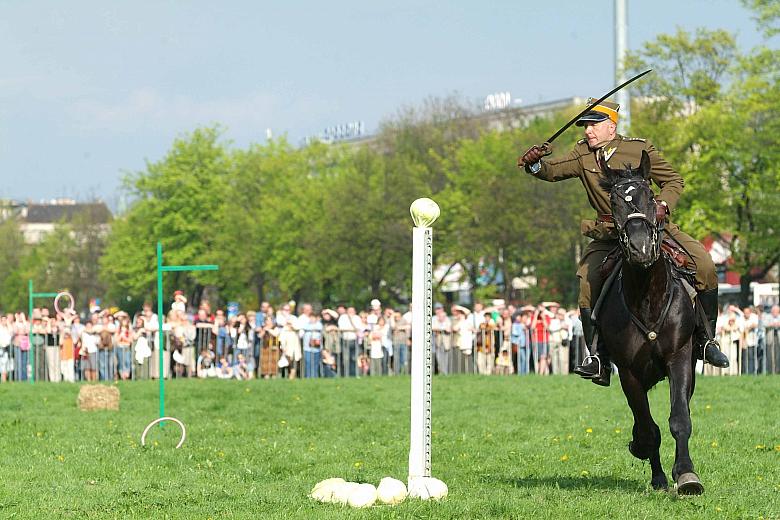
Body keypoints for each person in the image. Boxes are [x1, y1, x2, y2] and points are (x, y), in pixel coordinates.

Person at [519, 98, 729, 386]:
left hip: (650, 228)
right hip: (608, 233)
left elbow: (674, 181)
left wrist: (662, 206)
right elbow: (552, 171)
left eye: (593, 125)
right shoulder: (581, 155)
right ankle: (597, 358)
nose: (587, 131)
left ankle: (706, 341)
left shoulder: (638, 148)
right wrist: (534, 165)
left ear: (611, 127)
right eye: (585, 126)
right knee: (586, 284)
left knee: (704, 264)